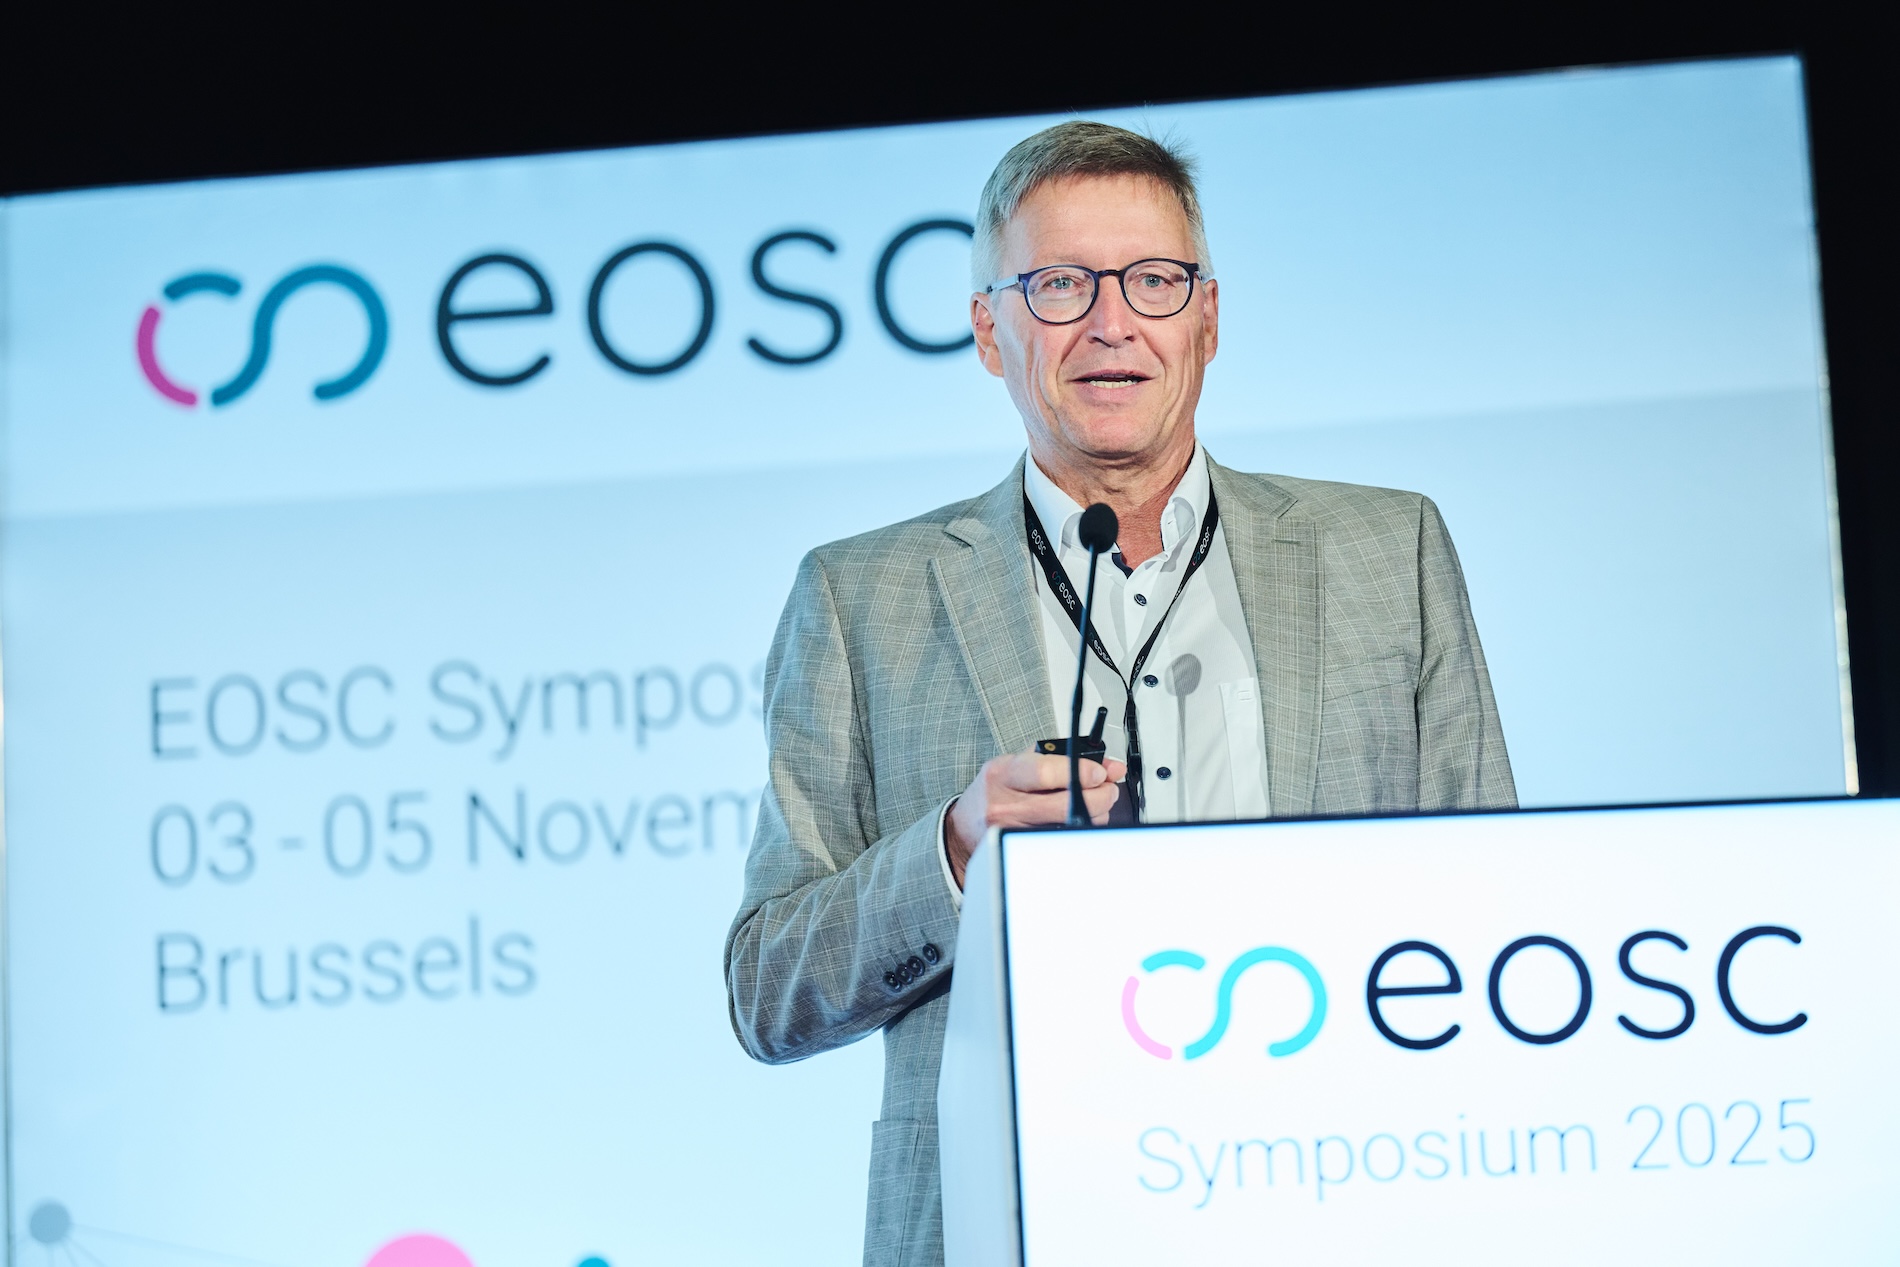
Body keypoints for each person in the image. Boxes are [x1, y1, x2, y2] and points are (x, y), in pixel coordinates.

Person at [724, 120, 1515, 1266]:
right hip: (1010, 1223)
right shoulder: (860, 598)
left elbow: (1493, 913)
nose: (1111, 322)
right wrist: (953, 851)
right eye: (1059, 284)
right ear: (988, 330)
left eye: (1152, 280)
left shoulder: (1388, 551)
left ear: (1207, 318)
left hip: (1337, 1202)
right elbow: (767, 991)